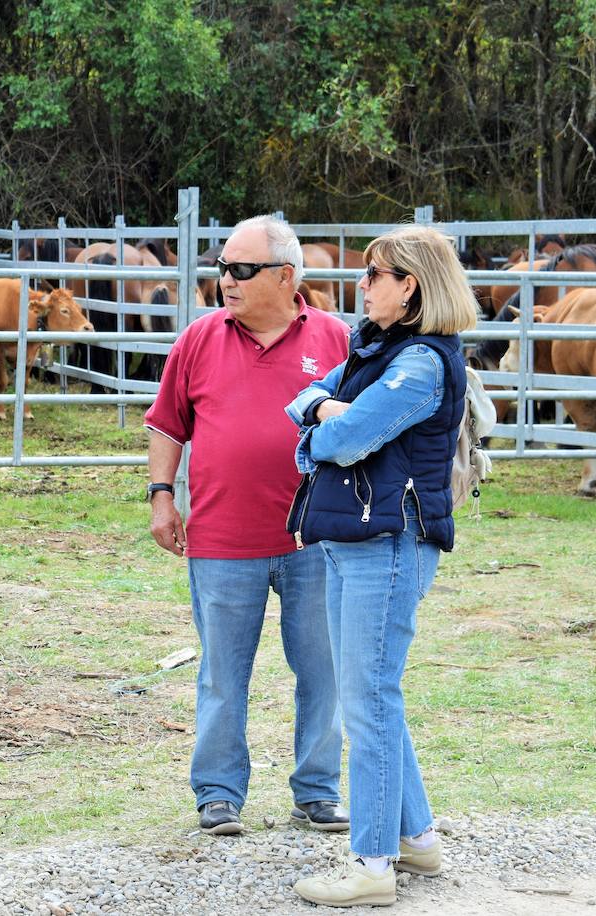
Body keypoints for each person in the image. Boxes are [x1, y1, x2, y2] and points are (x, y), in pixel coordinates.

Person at [287, 226, 477, 907]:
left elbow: (341, 438)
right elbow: (302, 402)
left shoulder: (421, 363)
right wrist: (326, 411)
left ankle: (372, 864)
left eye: (375, 273)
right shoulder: (377, 347)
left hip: (388, 544)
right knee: (371, 695)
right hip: (355, 537)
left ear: (412, 285)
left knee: (367, 699)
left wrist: (327, 416)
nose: (361, 283)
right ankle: (417, 839)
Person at [145, 214, 351, 836]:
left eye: (240, 270)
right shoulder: (200, 338)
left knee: (323, 670)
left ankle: (317, 790)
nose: (225, 281)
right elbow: (165, 423)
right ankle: (217, 793)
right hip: (221, 541)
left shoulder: (339, 340)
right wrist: (161, 495)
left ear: (286, 277)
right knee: (222, 674)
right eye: (222, 269)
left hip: (314, 540)